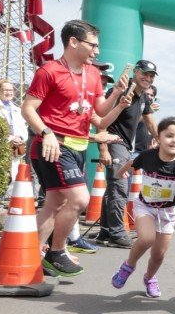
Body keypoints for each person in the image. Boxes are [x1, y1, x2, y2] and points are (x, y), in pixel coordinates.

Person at [21, 19, 130, 276]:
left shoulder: (93, 74)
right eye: (93, 45)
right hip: (53, 145)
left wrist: (118, 99)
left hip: (78, 145)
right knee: (80, 198)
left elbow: (101, 117)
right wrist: (46, 132)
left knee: (54, 204)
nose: (97, 51)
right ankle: (57, 251)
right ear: (73, 42)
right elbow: (28, 108)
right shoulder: (48, 71)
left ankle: (31, 255)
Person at [111, 117, 175, 297]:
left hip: (167, 211)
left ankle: (150, 278)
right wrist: (121, 173)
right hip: (145, 206)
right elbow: (132, 163)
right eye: (169, 135)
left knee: (159, 254)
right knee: (147, 238)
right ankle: (128, 266)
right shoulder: (147, 156)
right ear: (158, 137)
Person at [94, 59, 159, 248]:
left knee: (115, 188)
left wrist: (160, 139)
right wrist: (103, 148)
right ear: (135, 72)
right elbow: (100, 117)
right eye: (144, 74)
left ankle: (106, 231)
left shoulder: (144, 97)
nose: (147, 78)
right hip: (113, 141)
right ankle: (117, 233)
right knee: (119, 187)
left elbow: (150, 121)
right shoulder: (123, 89)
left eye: (151, 76)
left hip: (124, 145)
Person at [0, 79, 28, 196]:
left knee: (13, 174)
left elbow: (23, 127)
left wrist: (21, 138)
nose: (9, 92)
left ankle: (7, 199)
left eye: (11, 90)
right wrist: (10, 138)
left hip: (15, 148)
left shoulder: (17, 109)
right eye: (5, 90)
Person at [133, 84, 158, 152]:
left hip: (144, 151)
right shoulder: (135, 106)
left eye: (152, 95)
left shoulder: (152, 113)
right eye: (147, 94)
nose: (149, 97)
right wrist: (147, 112)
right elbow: (132, 121)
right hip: (133, 150)